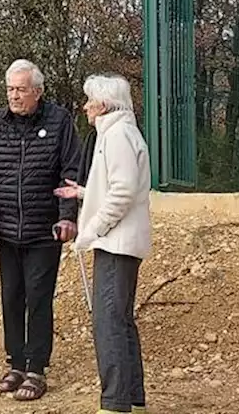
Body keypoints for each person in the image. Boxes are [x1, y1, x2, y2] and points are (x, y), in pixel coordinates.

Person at [0, 59, 82, 401]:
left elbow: (70, 171)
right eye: (10, 89)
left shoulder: (59, 121)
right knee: (11, 297)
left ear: (38, 91)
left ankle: (36, 367)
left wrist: (67, 217)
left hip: (43, 227)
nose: (14, 96)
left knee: (38, 297)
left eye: (21, 89)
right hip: (6, 228)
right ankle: (15, 363)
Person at [55, 73, 151, 414]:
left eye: (90, 100)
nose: (85, 107)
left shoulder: (117, 136)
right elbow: (117, 188)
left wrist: (92, 229)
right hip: (120, 241)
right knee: (120, 320)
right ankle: (133, 399)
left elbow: (122, 193)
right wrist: (83, 193)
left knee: (108, 321)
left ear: (105, 105)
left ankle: (114, 404)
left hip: (116, 243)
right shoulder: (119, 132)